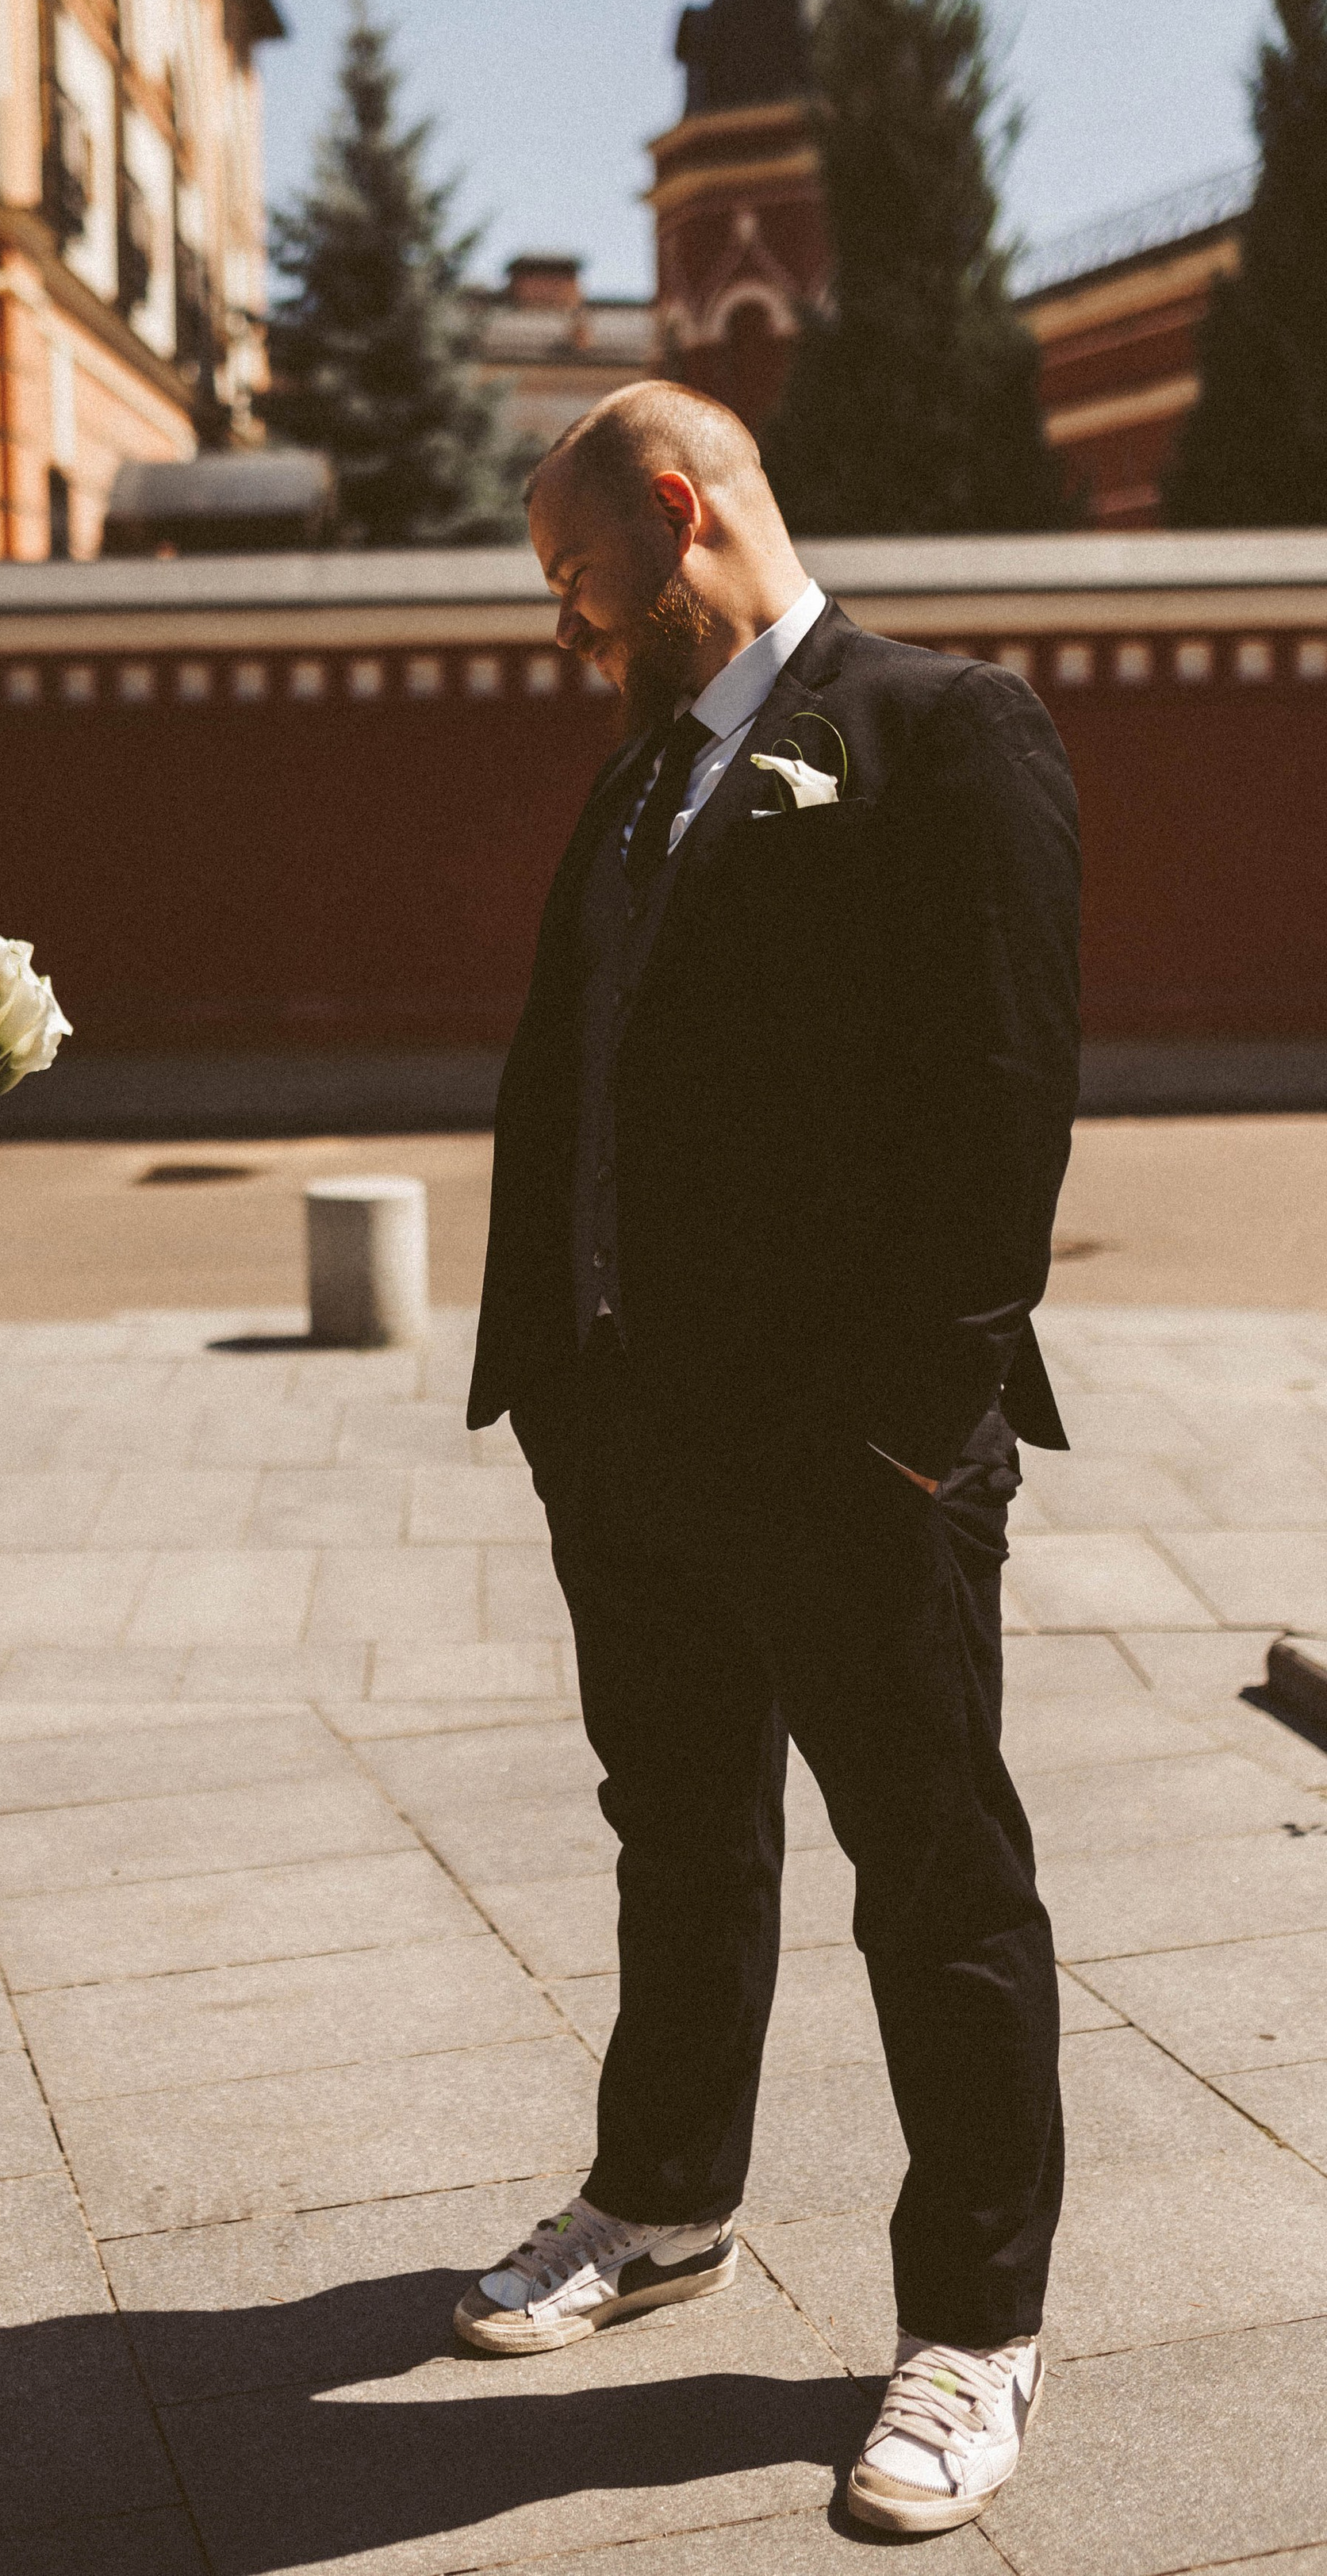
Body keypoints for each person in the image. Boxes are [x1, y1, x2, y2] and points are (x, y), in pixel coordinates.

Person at [457, 385, 1080, 2537]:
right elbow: (588, 1082)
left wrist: (920, 1435)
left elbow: (1001, 1096)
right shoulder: (641, 779)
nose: (563, 629)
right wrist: (550, 1389)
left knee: (933, 1870)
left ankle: (976, 2327)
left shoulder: (939, 730)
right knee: (679, 1837)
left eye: (572, 583)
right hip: (630, 1445)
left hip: (856, 1460)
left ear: (675, 508)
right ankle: (661, 2203)